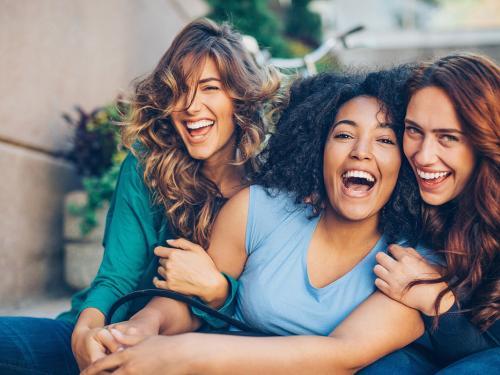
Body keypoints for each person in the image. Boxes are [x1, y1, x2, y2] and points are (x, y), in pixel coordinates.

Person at [83, 68, 438, 374]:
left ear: (406, 161)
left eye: (385, 139)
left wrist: (186, 354)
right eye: (343, 134)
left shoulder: (413, 265)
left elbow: (342, 357)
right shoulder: (258, 209)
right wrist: (145, 326)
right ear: (318, 148)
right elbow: (186, 303)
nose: (361, 151)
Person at [0, 18, 280, 374]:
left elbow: (270, 310)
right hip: (117, 331)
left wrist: (218, 291)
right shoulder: (148, 165)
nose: (190, 106)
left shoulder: (271, 186)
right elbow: (116, 276)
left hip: (202, 356)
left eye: (209, 88)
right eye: (179, 90)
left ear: (240, 97)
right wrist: (85, 332)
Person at [364, 53, 499, 373]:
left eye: (447, 137)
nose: (423, 156)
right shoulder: (407, 196)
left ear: (485, 139)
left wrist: (436, 300)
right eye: (413, 131)